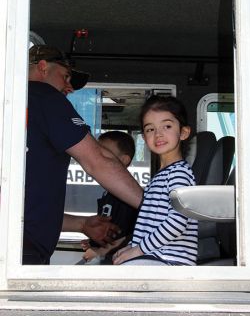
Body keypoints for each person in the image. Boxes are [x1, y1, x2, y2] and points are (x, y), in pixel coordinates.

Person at [24, 44, 143, 265]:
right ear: (42, 67)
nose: (69, 88)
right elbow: (97, 160)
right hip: (23, 248)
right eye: (66, 77)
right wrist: (153, 208)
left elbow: (23, 209)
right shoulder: (44, 96)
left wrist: (82, 224)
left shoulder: (18, 103)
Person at [112, 95, 198, 266]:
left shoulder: (179, 173)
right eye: (150, 129)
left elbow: (177, 223)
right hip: (156, 256)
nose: (158, 134)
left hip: (170, 260)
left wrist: (137, 250)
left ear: (183, 132)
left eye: (167, 126)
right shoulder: (161, 175)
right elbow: (149, 225)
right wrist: (132, 245)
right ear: (144, 137)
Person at [81, 131, 139, 264]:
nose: (97, 158)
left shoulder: (128, 196)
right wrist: (94, 241)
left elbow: (130, 235)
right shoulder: (109, 193)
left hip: (119, 260)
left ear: (124, 160)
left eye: (105, 154)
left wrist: (101, 250)